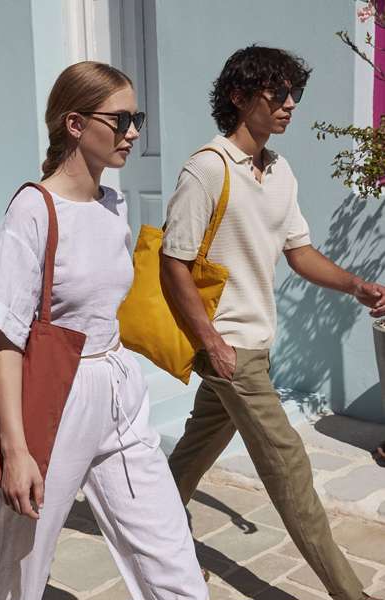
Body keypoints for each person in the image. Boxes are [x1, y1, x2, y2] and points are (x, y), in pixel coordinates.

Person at [0, 61, 209, 600]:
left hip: (120, 387)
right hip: (57, 398)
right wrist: (15, 451)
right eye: (121, 120)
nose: (134, 132)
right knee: (20, 560)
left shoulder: (113, 205)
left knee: (169, 552)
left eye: (137, 119)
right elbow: (3, 335)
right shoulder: (33, 209)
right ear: (75, 124)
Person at [161, 46, 385, 600]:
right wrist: (211, 342)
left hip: (254, 345)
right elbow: (173, 263)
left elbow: (298, 251)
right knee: (289, 465)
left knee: (193, 452)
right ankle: (349, 593)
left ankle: (150, 533)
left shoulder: (279, 170)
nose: (290, 104)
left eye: (294, 93)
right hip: (229, 347)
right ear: (240, 97)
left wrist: (356, 286)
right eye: (278, 93)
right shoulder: (207, 168)